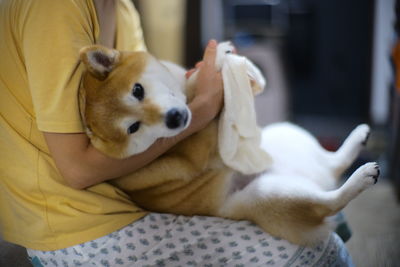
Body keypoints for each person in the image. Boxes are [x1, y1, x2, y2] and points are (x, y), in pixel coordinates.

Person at [0, 0, 354, 265]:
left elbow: (156, 99)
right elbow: (77, 170)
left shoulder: (120, 8)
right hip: (72, 225)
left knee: (311, 201)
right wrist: (201, 111)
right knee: (318, 250)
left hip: (123, 197)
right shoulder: (54, 8)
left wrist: (198, 86)